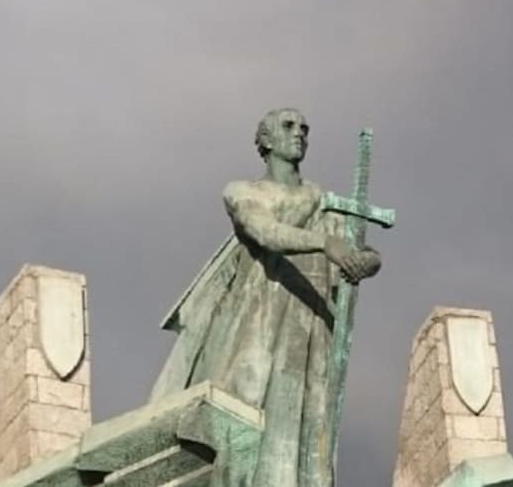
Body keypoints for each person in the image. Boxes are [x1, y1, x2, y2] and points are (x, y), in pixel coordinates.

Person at [150, 107, 381, 486]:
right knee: (245, 411)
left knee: (304, 428)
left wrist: (362, 263)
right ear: (265, 140)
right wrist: (325, 245)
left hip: (309, 331)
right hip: (257, 327)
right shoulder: (243, 192)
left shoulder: (326, 204)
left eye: (305, 128)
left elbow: (365, 252)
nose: (300, 133)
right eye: (289, 126)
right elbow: (265, 231)